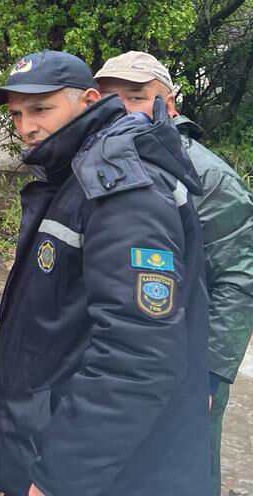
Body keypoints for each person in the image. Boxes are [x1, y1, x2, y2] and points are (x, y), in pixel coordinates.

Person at [0, 50, 211, 496]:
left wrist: (61, 478)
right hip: (62, 427)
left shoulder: (122, 188)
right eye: (17, 114)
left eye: (41, 108)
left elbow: (137, 358)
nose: (26, 127)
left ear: (90, 99)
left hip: (119, 471)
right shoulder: (74, 170)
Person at [94, 51, 253, 496]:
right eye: (109, 98)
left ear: (171, 104)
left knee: (180, 475)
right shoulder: (100, 163)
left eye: (137, 97)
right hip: (121, 355)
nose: (122, 108)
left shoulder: (211, 178)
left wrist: (209, 378)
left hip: (188, 363)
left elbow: (239, 282)